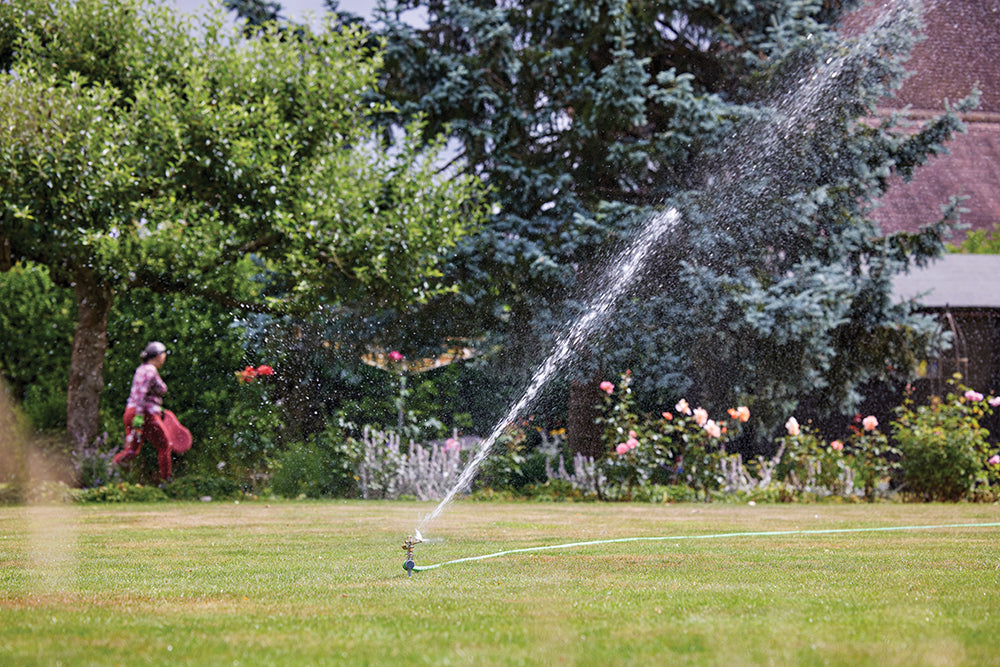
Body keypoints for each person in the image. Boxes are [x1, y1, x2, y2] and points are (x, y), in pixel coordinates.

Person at [114, 341, 191, 481]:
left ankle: (109, 473)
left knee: (131, 451)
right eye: (163, 354)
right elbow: (141, 393)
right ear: (157, 356)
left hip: (131, 412)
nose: (164, 357)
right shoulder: (150, 370)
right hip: (145, 415)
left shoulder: (141, 369)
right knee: (164, 445)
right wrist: (139, 414)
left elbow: (142, 393)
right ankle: (167, 481)